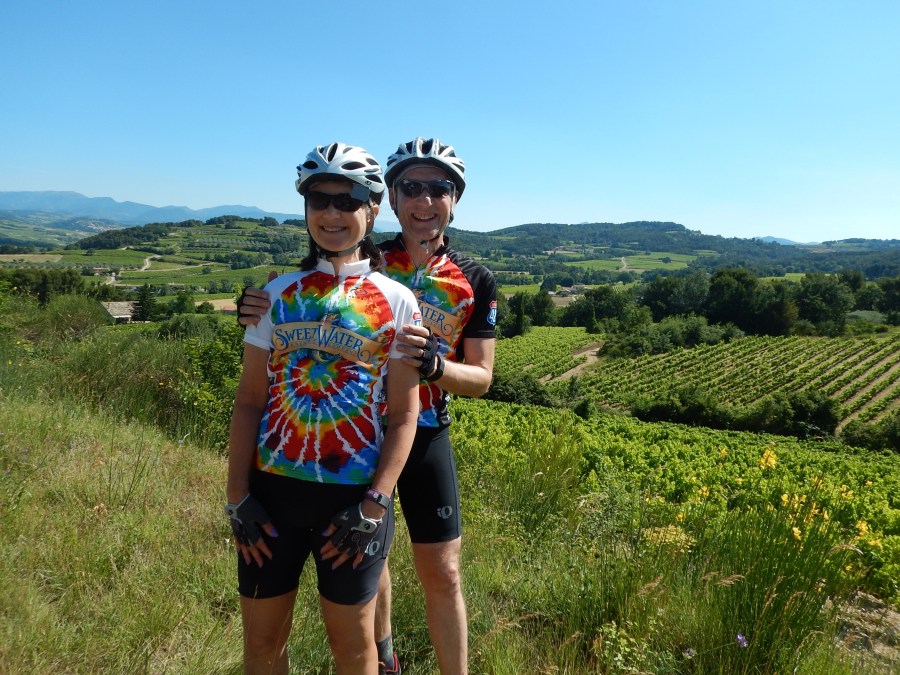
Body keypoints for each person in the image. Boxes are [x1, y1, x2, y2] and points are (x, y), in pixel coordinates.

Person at [239, 137, 497, 674]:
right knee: (369, 565)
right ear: (391, 199)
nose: (424, 199)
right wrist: (257, 303)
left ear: (455, 198)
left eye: (438, 188)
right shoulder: (372, 258)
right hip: (343, 440)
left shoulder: (472, 278)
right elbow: (315, 284)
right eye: (411, 187)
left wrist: (435, 368)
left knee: (442, 571)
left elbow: (482, 378)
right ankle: (384, 660)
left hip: (419, 428)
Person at [226, 142, 422, 675]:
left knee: (354, 650)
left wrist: (376, 505)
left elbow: (404, 415)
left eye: (348, 199)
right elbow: (249, 402)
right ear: (306, 208)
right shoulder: (275, 295)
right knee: (262, 647)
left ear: (372, 209)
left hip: (355, 504)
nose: (332, 213)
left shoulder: (398, 301)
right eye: (319, 199)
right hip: (271, 500)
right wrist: (237, 496)